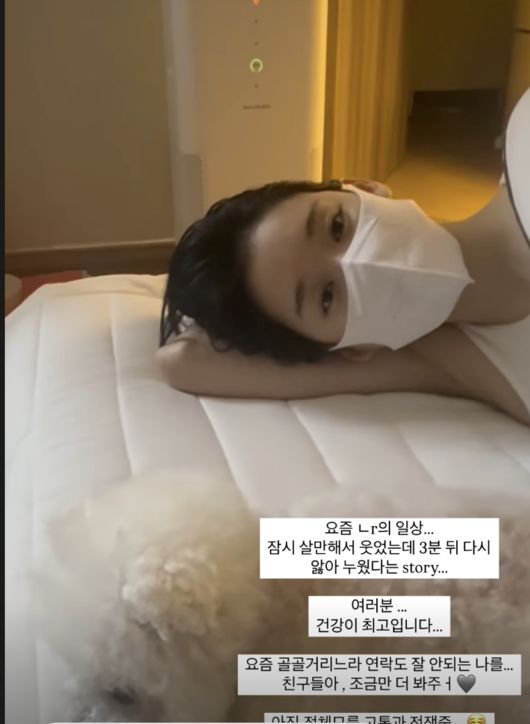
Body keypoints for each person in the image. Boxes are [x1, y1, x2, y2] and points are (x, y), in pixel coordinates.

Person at [158, 99, 530, 426]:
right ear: (353, 350)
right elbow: (185, 362)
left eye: (336, 226)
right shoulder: (469, 367)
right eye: (326, 297)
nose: (357, 262)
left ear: (365, 187)